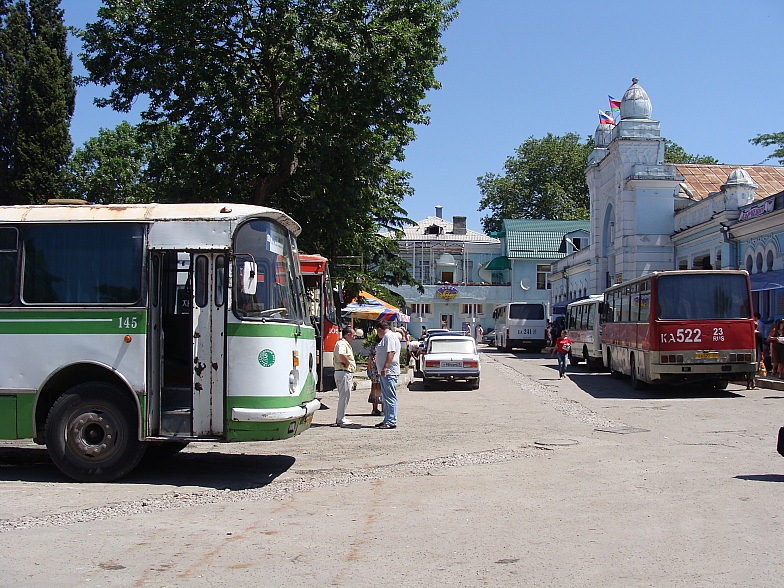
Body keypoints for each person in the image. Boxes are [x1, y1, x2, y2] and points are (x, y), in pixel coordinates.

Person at [374, 320, 401, 429]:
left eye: (377, 331)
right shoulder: (389, 337)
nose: (377, 334)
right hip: (387, 372)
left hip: (389, 372)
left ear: (380, 329)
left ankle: (391, 420)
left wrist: (385, 367)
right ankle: (387, 419)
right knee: (386, 397)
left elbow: (391, 352)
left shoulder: (388, 337)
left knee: (390, 397)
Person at [333, 326, 357, 426]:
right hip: (343, 372)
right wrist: (347, 363)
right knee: (344, 396)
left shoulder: (345, 343)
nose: (354, 337)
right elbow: (341, 354)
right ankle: (340, 418)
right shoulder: (342, 343)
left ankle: (342, 416)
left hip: (345, 372)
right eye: (353, 335)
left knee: (346, 396)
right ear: (348, 334)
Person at [366, 331, 383, 416]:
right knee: (382, 389)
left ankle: (374, 409)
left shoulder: (373, 347)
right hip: (381, 371)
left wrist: (369, 370)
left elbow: (369, 360)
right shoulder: (382, 347)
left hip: (373, 371)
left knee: (374, 389)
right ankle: (384, 409)